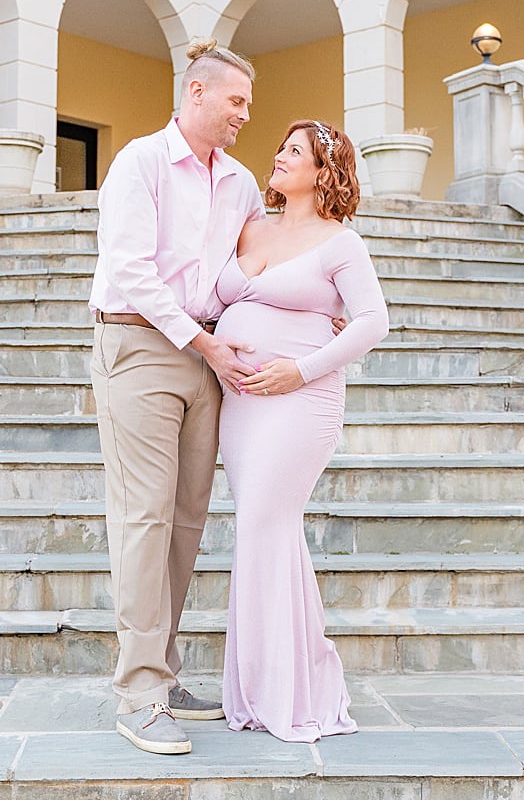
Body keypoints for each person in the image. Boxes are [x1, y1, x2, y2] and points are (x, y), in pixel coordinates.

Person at [88, 38, 267, 755]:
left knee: (188, 520)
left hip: (206, 355)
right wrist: (202, 341)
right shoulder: (140, 162)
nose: (244, 115)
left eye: (248, 105)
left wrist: (329, 302)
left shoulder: (245, 183)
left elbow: (263, 261)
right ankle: (137, 693)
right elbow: (129, 272)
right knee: (144, 516)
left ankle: (161, 671)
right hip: (138, 346)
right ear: (197, 93)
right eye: (236, 101)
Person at [216, 120, 389, 743]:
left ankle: (286, 693)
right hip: (241, 407)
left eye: (296, 151)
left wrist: (301, 370)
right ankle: (265, 688)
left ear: (324, 172)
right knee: (261, 535)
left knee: (265, 524)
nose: (280, 156)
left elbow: (373, 322)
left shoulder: (340, 243)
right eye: (281, 145)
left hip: (301, 403)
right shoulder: (249, 227)